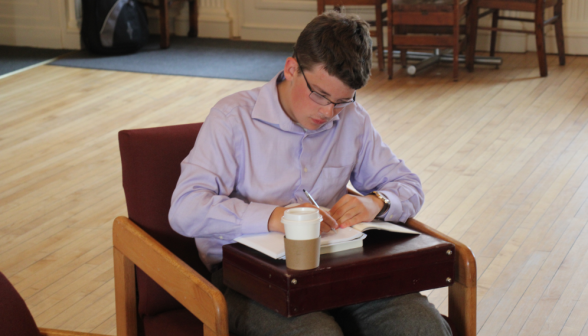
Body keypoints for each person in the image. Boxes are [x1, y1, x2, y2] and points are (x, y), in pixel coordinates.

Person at [169, 11, 452, 336]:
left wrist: (377, 202)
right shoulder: (232, 119)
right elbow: (185, 210)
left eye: (342, 101)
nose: (328, 113)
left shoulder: (352, 119)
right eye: (320, 95)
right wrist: (275, 217)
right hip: (247, 277)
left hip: (337, 266)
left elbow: (408, 185)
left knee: (424, 328)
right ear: (292, 69)